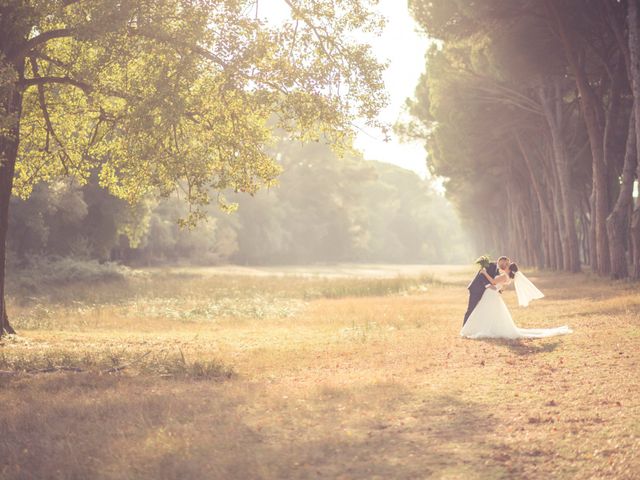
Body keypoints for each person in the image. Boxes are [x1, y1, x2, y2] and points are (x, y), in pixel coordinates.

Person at [460, 262, 572, 339]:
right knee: (488, 313)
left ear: (509, 269)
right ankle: (479, 328)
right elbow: (497, 287)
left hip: (491, 296)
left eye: (508, 265)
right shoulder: (507, 278)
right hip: (493, 295)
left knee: (485, 312)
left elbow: (493, 282)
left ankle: (476, 329)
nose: (506, 265)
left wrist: (484, 273)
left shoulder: (504, 276)